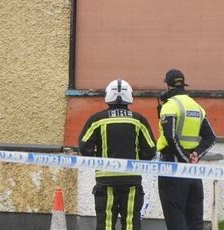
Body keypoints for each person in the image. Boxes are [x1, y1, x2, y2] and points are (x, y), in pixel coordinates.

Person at [78, 79, 156, 230]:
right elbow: (151, 149)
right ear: (129, 97)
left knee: (106, 223)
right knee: (130, 223)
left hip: (105, 180)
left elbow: (84, 146)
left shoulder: (97, 120)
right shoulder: (138, 120)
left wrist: (98, 159)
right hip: (131, 180)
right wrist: (137, 161)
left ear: (108, 96)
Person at [156, 69, 215, 230]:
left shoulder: (170, 106)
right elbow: (211, 137)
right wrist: (196, 155)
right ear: (183, 84)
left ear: (167, 86)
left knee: (176, 220)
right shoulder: (196, 107)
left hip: (172, 167)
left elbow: (170, 137)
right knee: (195, 221)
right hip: (193, 172)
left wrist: (183, 158)